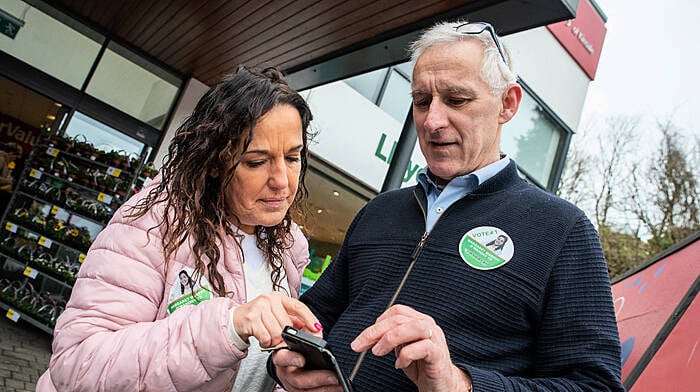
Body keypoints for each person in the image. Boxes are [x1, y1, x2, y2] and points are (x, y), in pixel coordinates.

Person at [271, 21, 625, 391]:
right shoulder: (380, 210)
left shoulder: (562, 230)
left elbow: (595, 385)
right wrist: (285, 358)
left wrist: (460, 384)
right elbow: (317, 317)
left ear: (508, 103)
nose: (432, 120)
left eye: (456, 100)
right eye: (422, 101)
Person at [37, 66, 323, 392]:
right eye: (256, 162)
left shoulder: (290, 247)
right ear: (216, 161)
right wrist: (227, 328)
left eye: (293, 157)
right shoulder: (157, 222)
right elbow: (76, 368)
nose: (282, 181)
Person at [0, 142, 22, 213]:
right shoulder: (1, 159)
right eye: (15, 157)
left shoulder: (5, 161)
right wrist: (8, 181)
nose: (15, 159)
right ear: (11, 153)